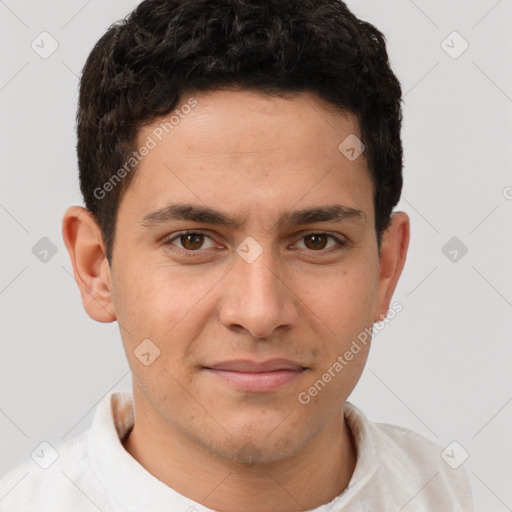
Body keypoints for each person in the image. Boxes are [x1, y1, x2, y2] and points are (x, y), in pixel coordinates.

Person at [0, 0, 474, 510]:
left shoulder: (450, 495)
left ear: (385, 268)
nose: (259, 312)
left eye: (316, 241)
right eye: (193, 241)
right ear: (96, 268)